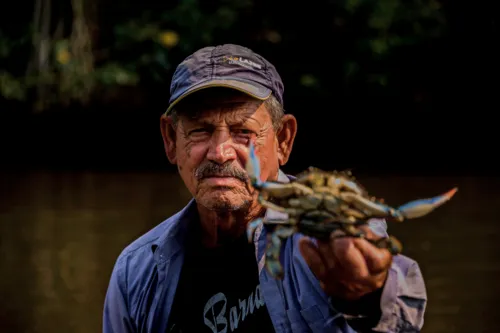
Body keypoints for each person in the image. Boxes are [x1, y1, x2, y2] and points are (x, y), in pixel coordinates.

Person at [103, 44, 427, 333]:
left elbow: (399, 308)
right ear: (171, 140)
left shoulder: (328, 227)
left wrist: (366, 296)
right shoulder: (136, 271)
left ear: (283, 140)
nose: (220, 152)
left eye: (243, 131)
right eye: (200, 131)